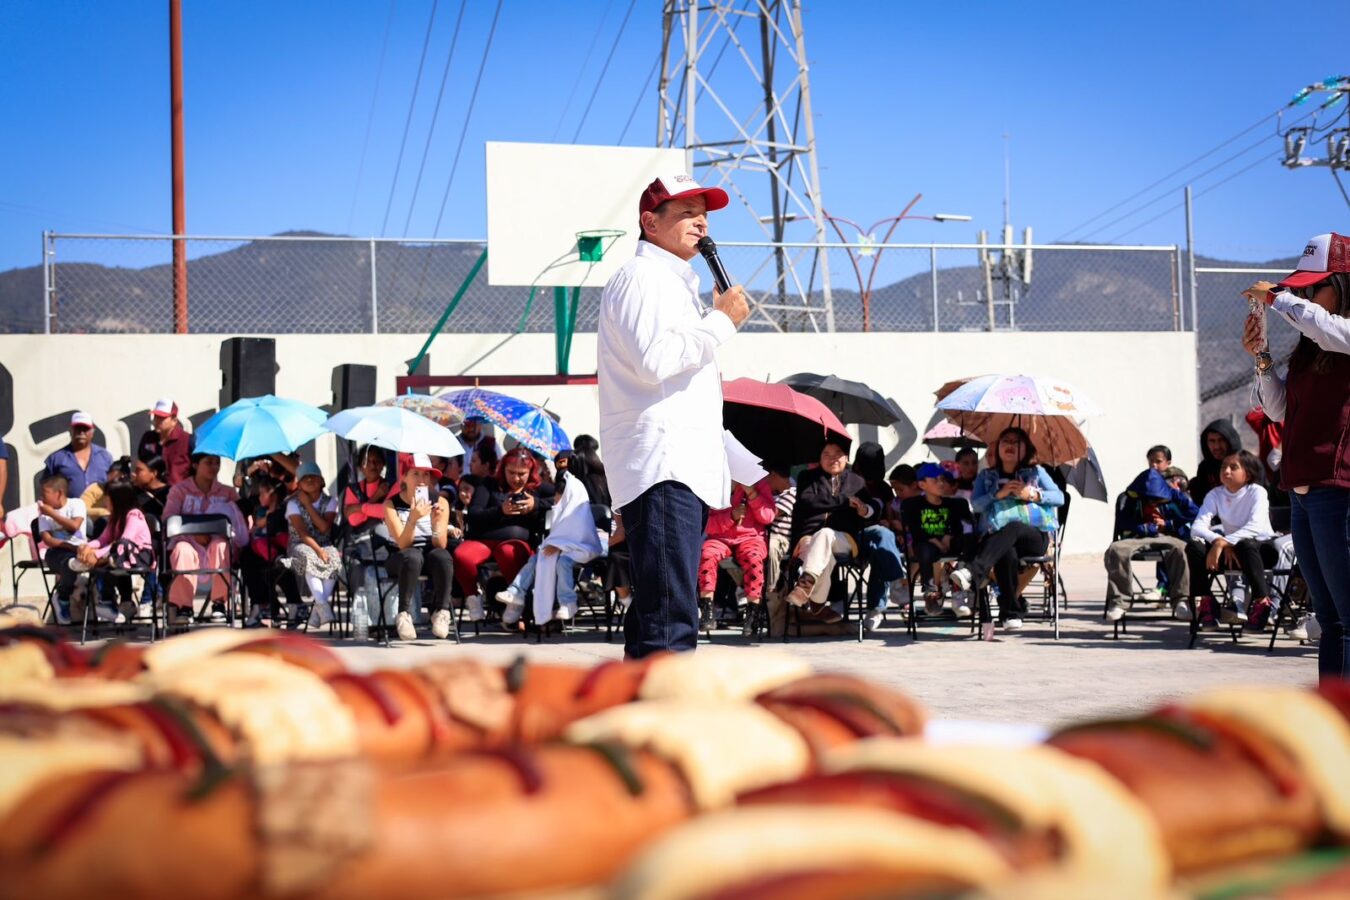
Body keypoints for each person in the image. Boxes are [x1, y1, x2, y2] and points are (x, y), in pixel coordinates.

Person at [597, 173, 749, 659]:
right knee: (669, 617)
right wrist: (721, 321)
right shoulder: (644, 278)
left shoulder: (673, 284)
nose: (700, 221)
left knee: (659, 611)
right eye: (685, 212)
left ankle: (640, 719)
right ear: (650, 222)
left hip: (678, 468)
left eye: (703, 212)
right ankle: (664, 724)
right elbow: (653, 361)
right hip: (665, 469)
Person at [1244, 235, 1350, 678]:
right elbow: (1280, 409)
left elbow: (1322, 324)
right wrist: (1262, 358)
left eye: (1314, 286)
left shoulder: (1339, 332)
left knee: (1346, 620)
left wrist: (1279, 298)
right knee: (1328, 621)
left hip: (1337, 490)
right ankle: (1331, 722)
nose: (1305, 295)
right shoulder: (1311, 343)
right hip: (1304, 492)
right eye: (1300, 288)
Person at [950, 427, 1065, 632]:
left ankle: (974, 571)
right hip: (998, 540)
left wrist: (1033, 495)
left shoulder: (1036, 472)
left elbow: (1060, 498)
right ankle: (1010, 614)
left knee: (1012, 527)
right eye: (1005, 441)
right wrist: (998, 494)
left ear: (1025, 449)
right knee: (1007, 552)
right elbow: (976, 506)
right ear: (998, 447)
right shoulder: (986, 476)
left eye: (1016, 442)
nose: (1010, 446)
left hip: (1033, 538)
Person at [783, 440, 881, 624]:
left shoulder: (857, 481)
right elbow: (809, 501)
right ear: (819, 458)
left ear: (846, 458)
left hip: (845, 540)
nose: (832, 458)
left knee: (826, 534)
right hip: (808, 538)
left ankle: (805, 586)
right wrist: (844, 502)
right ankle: (818, 602)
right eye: (826, 454)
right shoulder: (807, 477)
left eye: (837, 454)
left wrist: (863, 510)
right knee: (823, 549)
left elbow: (872, 509)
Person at [496, 464, 603, 627]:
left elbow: (580, 537)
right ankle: (516, 591)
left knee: (563, 563)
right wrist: (557, 545)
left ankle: (568, 602)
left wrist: (560, 546)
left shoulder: (579, 511)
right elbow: (560, 535)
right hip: (564, 548)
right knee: (536, 559)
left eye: (557, 495)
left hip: (581, 550)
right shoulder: (561, 510)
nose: (554, 499)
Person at [456, 446, 553, 622]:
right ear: (503, 469)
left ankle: (516, 601)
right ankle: (473, 597)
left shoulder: (537, 488)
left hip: (517, 541)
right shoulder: (489, 485)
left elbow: (560, 499)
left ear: (530, 471)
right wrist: (500, 511)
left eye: (521, 473)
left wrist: (536, 504)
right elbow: (475, 513)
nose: (516, 478)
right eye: (512, 473)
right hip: (485, 539)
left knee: (508, 552)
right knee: (462, 555)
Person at [1103, 448, 1200, 623]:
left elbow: (1196, 513)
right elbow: (1123, 523)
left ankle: (1181, 601)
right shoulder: (1131, 498)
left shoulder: (1172, 492)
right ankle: (1120, 602)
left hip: (1168, 536)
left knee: (1181, 549)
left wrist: (1172, 515)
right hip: (1138, 536)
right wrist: (1143, 528)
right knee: (1116, 550)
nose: (1154, 502)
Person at [1186, 450, 1277, 631]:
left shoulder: (1257, 492)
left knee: (1246, 544)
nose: (1226, 471)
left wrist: (1223, 543)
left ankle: (1262, 602)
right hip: (1229, 554)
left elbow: (1255, 527)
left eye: (1233, 467)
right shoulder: (1215, 494)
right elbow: (1197, 527)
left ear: (1248, 473)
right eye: (1223, 467)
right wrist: (1219, 541)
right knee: (1194, 547)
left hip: (1259, 552)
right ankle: (1207, 602)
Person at [162, 452, 249, 625]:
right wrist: (193, 533)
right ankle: (184, 606)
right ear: (195, 465)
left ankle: (220, 603)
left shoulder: (228, 492)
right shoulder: (180, 490)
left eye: (217, 463)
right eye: (208, 462)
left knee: (221, 547)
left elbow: (239, 520)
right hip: (188, 541)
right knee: (182, 550)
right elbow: (169, 519)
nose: (214, 467)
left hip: (218, 541)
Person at [383, 453, 456, 641]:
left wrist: (435, 524)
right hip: (400, 557)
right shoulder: (391, 504)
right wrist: (413, 519)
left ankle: (441, 611)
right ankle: (404, 615)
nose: (422, 480)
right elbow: (403, 544)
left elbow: (440, 544)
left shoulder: (440, 502)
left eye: (426, 475)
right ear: (404, 477)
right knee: (412, 555)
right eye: (415, 474)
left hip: (428, 554)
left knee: (443, 556)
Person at [696, 476, 775, 634]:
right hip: (720, 537)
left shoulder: (759, 483)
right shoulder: (713, 483)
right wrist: (731, 516)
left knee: (754, 558)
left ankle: (753, 613)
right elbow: (707, 524)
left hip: (751, 537)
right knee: (706, 554)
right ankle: (707, 610)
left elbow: (768, 516)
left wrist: (752, 494)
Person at [72, 481, 156, 624]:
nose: (105, 501)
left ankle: (94, 566)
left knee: (117, 548)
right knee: (110, 557)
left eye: (107, 498)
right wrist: (86, 547)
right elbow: (103, 539)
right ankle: (107, 600)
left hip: (138, 555)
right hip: (119, 556)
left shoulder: (134, 516)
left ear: (118, 500)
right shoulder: (114, 518)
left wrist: (96, 555)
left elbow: (124, 541)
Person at [903, 463, 974, 617]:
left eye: (942, 479)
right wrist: (936, 541)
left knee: (969, 539)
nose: (941, 483)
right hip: (927, 544)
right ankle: (931, 593)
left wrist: (948, 537)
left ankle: (962, 581)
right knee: (925, 549)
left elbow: (957, 527)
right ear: (922, 484)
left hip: (948, 543)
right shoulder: (914, 505)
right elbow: (916, 531)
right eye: (935, 480)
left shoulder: (951, 504)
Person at [852, 442, 906, 630]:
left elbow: (890, 513)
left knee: (881, 547)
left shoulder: (883, 488)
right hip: (853, 536)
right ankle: (898, 581)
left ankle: (875, 609)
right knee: (882, 536)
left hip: (880, 539)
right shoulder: (849, 482)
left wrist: (889, 522)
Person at [285, 462, 341, 630]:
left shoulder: (331, 502)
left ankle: (317, 611)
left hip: (324, 543)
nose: (309, 480)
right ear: (299, 485)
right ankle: (323, 606)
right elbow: (302, 533)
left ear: (322, 481)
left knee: (334, 558)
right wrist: (318, 551)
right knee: (309, 557)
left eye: (313, 477)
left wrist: (308, 505)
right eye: (304, 478)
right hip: (300, 544)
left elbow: (324, 527)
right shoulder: (293, 504)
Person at [240, 475, 300, 628]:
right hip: (264, 550)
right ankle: (263, 607)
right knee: (249, 555)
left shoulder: (287, 506)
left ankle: (291, 605)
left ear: (273, 494)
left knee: (278, 566)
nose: (259, 497)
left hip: (286, 548)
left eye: (262, 493)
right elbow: (258, 524)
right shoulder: (261, 511)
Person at [36, 474, 87, 625]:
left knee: (99, 560)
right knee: (68, 563)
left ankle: (105, 600)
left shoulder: (76, 504)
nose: (41, 497)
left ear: (59, 493)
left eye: (45, 493)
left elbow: (74, 526)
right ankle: (62, 598)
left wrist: (52, 514)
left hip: (80, 550)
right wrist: (70, 546)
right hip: (57, 552)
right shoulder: (44, 515)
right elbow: (48, 540)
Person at [42, 412, 113, 500]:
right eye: (78, 428)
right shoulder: (56, 459)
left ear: (92, 432)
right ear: (71, 430)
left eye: (85, 429)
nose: (81, 432)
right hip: (67, 513)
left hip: (99, 512)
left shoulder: (105, 457)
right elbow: (46, 491)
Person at [137, 399, 193, 485]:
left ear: (174, 420)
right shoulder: (148, 438)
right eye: (156, 416)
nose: (157, 421)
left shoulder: (187, 440)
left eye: (162, 418)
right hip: (151, 493)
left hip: (178, 494)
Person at [1189, 420, 1241, 505]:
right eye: (1212, 441)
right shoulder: (1205, 468)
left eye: (1221, 440)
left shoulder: (1246, 464)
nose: (1217, 446)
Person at [81, 456, 132, 535]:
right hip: (97, 527)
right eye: (111, 479)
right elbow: (82, 508)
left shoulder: (129, 491)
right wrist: (104, 512)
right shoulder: (96, 488)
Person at [131, 455, 170, 520]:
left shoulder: (170, 493)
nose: (134, 474)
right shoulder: (133, 491)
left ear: (154, 473)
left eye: (139, 470)